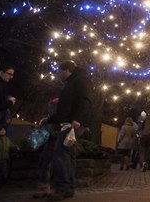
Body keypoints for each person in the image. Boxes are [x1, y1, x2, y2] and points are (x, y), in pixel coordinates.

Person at [47, 60, 93, 201]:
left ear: (67, 70)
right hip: (70, 123)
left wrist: (78, 119)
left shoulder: (80, 81)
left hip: (71, 124)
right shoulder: (75, 82)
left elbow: (85, 100)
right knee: (68, 154)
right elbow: (67, 106)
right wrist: (51, 119)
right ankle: (68, 187)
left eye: (61, 71)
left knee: (61, 153)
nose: (60, 75)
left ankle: (63, 187)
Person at [32, 98, 59, 199]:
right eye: (49, 108)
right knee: (43, 166)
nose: (50, 110)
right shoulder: (47, 119)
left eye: (52, 108)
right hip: (47, 147)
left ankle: (53, 189)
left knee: (53, 169)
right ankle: (44, 188)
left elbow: (59, 133)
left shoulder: (59, 120)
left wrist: (50, 133)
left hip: (55, 147)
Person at [0, 64, 16, 155]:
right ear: (1, 72)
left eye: (12, 75)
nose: (11, 77)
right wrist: (10, 102)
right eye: (9, 74)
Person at [0, 125, 17, 193]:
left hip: (4, 160)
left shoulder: (7, 139)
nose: (2, 131)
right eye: (1, 130)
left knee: (3, 173)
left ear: (5, 131)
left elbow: (11, 145)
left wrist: (16, 147)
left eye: (4, 130)